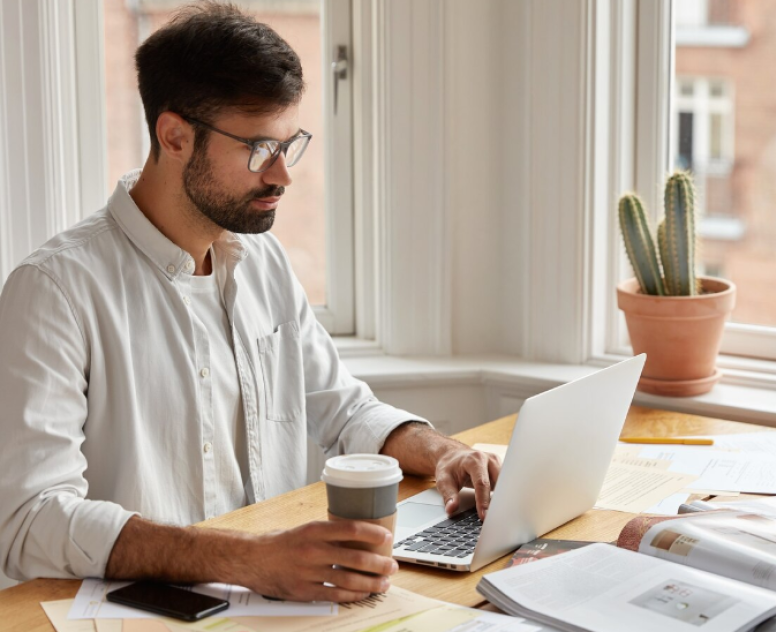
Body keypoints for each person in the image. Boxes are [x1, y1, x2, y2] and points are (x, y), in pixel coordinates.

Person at [0, 2, 500, 603]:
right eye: (262, 149)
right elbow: (30, 519)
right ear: (175, 136)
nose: (283, 176)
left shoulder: (263, 262)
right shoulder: (54, 290)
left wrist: (446, 453)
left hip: (280, 607)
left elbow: (341, 411)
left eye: (292, 145)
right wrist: (247, 560)